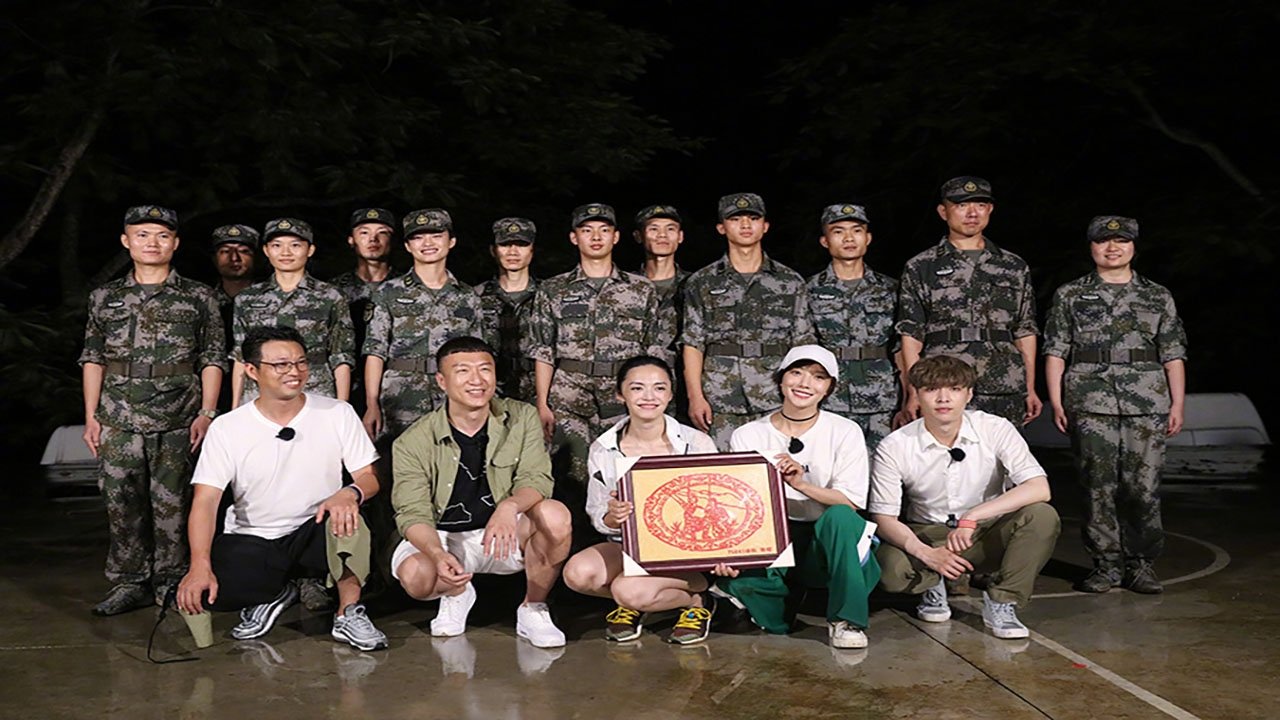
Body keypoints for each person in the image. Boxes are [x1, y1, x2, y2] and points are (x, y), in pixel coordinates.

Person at [175, 326, 387, 651]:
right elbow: (205, 501)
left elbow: (369, 476)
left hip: (317, 528)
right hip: (255, 537)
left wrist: (350, 492)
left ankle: (348, 612)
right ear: (251, 370)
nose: (294, 372)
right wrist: (198, 565)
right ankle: (274, 594)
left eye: (301, 362)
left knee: (349, 519)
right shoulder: (227, 428)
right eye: (280, 365)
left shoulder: (337, 412)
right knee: (210, 591)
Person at [80, 205, 226, 615]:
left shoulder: (199, 296)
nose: (152, 243)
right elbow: (93, 357)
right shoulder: (105, 297)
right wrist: (91, 415)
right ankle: (129, 581)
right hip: (118, 416)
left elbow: (213, 357)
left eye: (162, 236)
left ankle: (172, 580)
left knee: (174, 503)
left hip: (178, 415)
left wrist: (208, 412)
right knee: (121, 501)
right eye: (142, 235)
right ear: (126, 241)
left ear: (175, 244)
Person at [391, 336, 572, 648]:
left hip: (504, 534)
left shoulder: (522, 417)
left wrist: (508, 507)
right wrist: (437, 554)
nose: (477, 380)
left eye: (485, 369)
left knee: (555, 515)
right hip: (446, 538)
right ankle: (456, 593)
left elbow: (537, 479)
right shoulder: (412, 441)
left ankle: (533, 608)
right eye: (463, 371)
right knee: (416, 577)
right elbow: (412, 513)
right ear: (442, 381)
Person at [1043, 216, 1187, 594]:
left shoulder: (1157, 295)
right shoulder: (1071, 294)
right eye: (1103, 241)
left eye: (1121, 240)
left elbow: (1173, 353)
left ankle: (1140, 564)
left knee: (1143, 487)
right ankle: (1105, 565)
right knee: (1097, 486)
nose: (1112, 248)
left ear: (1133, 246)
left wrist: (1177, 404)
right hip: (1090, 401)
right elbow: (1056, 351)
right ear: (1091, 246)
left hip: (1147, 402)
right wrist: (1056, 402)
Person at [869, 355, 1060, 639]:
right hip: (928, 533)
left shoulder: (994, 428)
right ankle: (931, 584)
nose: (943, 398)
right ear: (917, 394)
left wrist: (974, 515)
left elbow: (1039, 488)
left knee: (1042, 516)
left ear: (969, 394)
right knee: (890, 570)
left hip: (983, 532)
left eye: (955, 389)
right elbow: (884, 518)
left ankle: (1003, 601)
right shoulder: (896, 445)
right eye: (932, 389)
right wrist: (926, 554)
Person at [717, 345, 880, 649]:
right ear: (781, 379)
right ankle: (782, 600)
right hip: (776, 537)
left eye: (818, 377)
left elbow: (850, 501)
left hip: (828, 538)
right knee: (742, 587)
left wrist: (801, 484)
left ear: (828, 388)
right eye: (796, 372)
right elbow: (740, 504)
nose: (805, 383)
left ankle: (847, 620)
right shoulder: (748, 434)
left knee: (841, 517)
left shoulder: (845, 430)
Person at [562, 356, 719, 644]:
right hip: (628, 545)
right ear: (620, 394)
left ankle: (698, 601)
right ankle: (647, 598)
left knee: (627, 591)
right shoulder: (603, 448)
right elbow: (598, 513)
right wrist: (613, 517)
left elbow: (716, 504)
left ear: (670, 394)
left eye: (659, 388)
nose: (649, 397)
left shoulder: (696, 443)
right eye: (637, 388)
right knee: (577, 574)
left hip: (684, 551)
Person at [529, 203, 662, 522]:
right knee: (571, 476)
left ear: (616, 237)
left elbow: (652, 349)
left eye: (604, 230)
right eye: (587, 231)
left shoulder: (640, 289)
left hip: (623, 397)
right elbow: (543, 349)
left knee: (622, 474)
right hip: (569, 397)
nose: (596, 237)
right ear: (574, 238)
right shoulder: (553, 289)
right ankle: (572, 545)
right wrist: (542, 403)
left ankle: (624, 542)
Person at [895, 177, 1041, 428]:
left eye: (980, 205)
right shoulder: (921, 266)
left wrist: (1030, 387)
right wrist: (914, 391)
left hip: (1003, 382)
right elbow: (911, 334)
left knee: (1002, 451)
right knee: (945, 451)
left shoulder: (1013, 266)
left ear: (990, 210)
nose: (972, 213)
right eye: (962, 205)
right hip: (943, 385)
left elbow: (1025, 330)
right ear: (943, 212)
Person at [682, 193, 816, 449]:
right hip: (720, 397)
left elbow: (803, 345)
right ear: (721, 228)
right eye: (736, 219)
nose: (745, 225)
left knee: (777, 466)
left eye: (753, 218)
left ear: (765, 226)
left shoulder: (789, 281)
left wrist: (801, 396)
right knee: (725, 467)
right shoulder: (702, 282)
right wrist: (695, 397)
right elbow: (693, 343)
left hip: (775, 395)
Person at [363, 209, 484, 441]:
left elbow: (477, 356)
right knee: (399, 459)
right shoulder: (389, 292)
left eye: (436, 236)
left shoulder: (467, 296)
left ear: (451, 241)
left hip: (454, 396)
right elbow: (375, 351)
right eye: (418, 237)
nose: (427, 243)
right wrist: (371, 403)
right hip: (401, 397)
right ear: (408, 246)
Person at [806, 204, 900, 449]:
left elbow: (901, 346)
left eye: (856, 230)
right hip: (830, 399)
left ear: (867, 238)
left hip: (882, 399)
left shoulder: (890, 289)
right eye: (838, 231)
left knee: (883, 465)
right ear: (825, 241)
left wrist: (911, 394)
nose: (849, 238)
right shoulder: (809, 290)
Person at [231, 218, 354, 406]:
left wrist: (342, 406)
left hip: (315, 390)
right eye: (277, 245)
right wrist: (235, 408)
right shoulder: (247, 298)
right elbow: (241, 357)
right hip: (260, 392)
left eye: (295, 245)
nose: (285, 252)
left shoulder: (331, 296)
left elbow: (341, 355)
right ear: (266, 250)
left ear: (310, 250)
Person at [329, 208, 397, 416]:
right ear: (351, 240)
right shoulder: (333, 290)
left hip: (394, 386)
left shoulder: (404, 287)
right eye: (364, 233)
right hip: (343, 384)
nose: (373, 239)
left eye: (382, 233)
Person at [475, 217, 539, 404]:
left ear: (532, 250)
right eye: (505, 244)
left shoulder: (548, 295)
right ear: (493, 250)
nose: (513, 252)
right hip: (488, 394)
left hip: (540, 394)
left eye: (521, 244)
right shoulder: (474, 296)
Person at [634, 204, 690, 371]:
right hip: (638, 379)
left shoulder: (696, 285)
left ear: (680, 236)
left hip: (683, 377)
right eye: (654, 229)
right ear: (638, 236)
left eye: (670, 229)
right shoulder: (624, 287)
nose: (662, 235)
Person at [210, 224, 259, 413]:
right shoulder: (204, 300)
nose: (234, 258)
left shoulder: (269, 300)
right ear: (214, 258)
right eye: (225, 251)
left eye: (244, 251)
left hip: (255, 392)